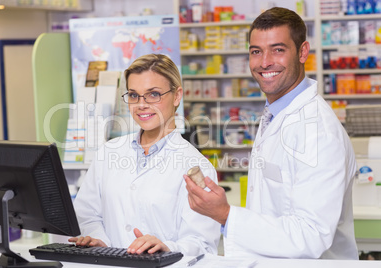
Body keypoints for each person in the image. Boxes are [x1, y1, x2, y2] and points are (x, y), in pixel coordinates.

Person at [184, 7, 358, 259]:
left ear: (302, 52)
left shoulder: (318, 131)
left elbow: (311, 234)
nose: (264, 62)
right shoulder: (276, 114)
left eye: (278, 49)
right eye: (256, 51)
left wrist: (225, 214)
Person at [69, 54, 220, 256]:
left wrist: (168, 248)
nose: (141, 104)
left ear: (177, 96)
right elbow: (86, 214)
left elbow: (202, 243)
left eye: (153, 94)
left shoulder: (196, 166)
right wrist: (100, 240)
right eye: (133, 95)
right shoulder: (109, 152)